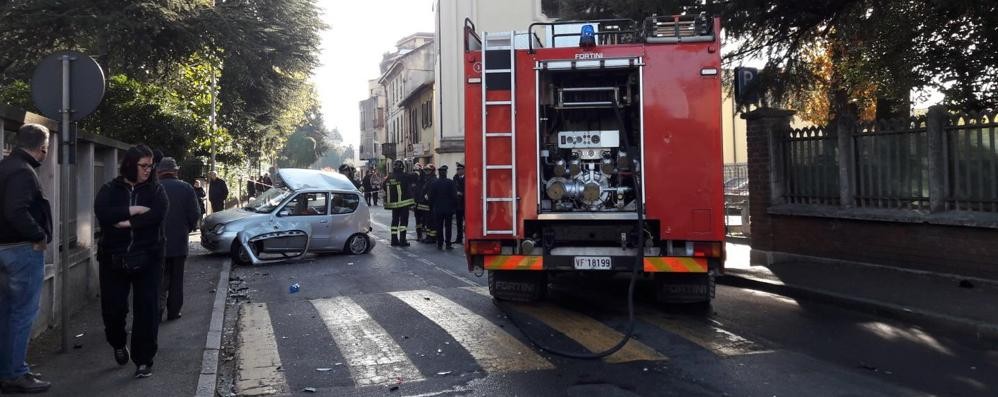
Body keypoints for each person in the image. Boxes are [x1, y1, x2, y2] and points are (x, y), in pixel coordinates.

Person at [93, 144, 169, 379]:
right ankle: (117, 342)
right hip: (113, 259)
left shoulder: (156, 191)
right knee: (114, 310)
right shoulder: (109, 189)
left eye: (151, 166)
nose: (148, 170)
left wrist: (128, 222)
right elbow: (104, 214)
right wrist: (134, 209)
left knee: (147, 309)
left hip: (149, 257)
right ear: (130, 165)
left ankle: (144, 359)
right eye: (143, 166)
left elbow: (157, 215)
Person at [0, 124, 53, 393]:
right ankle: (15, 373)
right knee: (21, 314)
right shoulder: (23, 171)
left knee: (7, 314)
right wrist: (39, 235)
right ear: (42, 147)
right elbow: (16, 210)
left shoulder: (5, 166)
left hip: (5, 248)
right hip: (21, 249)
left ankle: (9, 369)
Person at [156, 158, 200, 322]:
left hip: (157, 243)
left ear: (159, 172)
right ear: (175, 171)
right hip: (179, 242)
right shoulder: (186, 188)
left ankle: (157, 311)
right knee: (176, 279)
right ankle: (174, 311)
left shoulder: (154, 188)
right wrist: (185, 229)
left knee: (158, 279)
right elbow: (194, 214)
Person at [428, 165, 458, 250]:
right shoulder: (450, 182)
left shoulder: (434, 183)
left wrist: (432, 207)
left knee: (439, 226)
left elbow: (431, 197)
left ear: (439, 173)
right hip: (448, 209)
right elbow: (454, 196)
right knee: (448, 226)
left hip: (438, 209)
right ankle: (448, 243)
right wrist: (454, 207)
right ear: (446, 173)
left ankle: (440, 243)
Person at [384, 160, 414, 246]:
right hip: (404, 203)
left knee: (394, 222)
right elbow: (414, 178)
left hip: (394, 204)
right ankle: (402, 240)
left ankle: (394, 240)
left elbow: (384, 186)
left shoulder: (389, 177)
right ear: (402, 167)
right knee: (403, 223)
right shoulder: (404, 176)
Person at [418, 164, 438, 244]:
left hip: (431, 204)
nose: (426, 172)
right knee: (428, 221)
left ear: (432, 171)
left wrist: (427, 196)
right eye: (426, 170)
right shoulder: (428, 179)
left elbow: (432, 191)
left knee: (431, 222)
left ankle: (432, 238)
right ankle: (429, 237)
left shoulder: (433, 180)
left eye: (428, 170)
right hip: (427, 205)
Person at [453, 162, 466, 244]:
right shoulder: (455, 178)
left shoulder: (467, 178)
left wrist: (463, 193)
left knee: (467, 222)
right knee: (458, 222)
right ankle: (459, 238)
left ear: (464, 170)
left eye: (459, 169)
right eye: (457, 169)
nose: (458, 171)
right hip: (458, 204)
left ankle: (467, 237)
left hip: (466, 203)